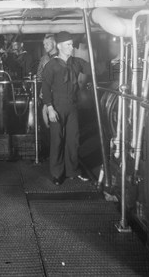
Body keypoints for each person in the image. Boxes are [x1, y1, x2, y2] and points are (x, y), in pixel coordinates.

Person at [41, 31, 91, 185]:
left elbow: (92, 70)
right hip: (57, 106)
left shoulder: (76, 62)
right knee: (57, 140)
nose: (71, 47)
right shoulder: (51, 65)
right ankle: (57, 174)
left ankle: (72, 171)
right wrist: (50, 109)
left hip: (72, 106)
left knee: (73, 140)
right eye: (68, 44)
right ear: (60, 46)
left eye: (71, 44)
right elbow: (45, 88)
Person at [37, 34, 58, 128]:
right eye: (44, 44)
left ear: (54, 43)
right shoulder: (44, 59)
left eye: (47, 43)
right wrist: (40, 91)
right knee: (45, 114)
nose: (45, 46)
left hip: (59, 94)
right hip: (46, 92)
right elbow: (39, 76)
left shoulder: (61, 57)